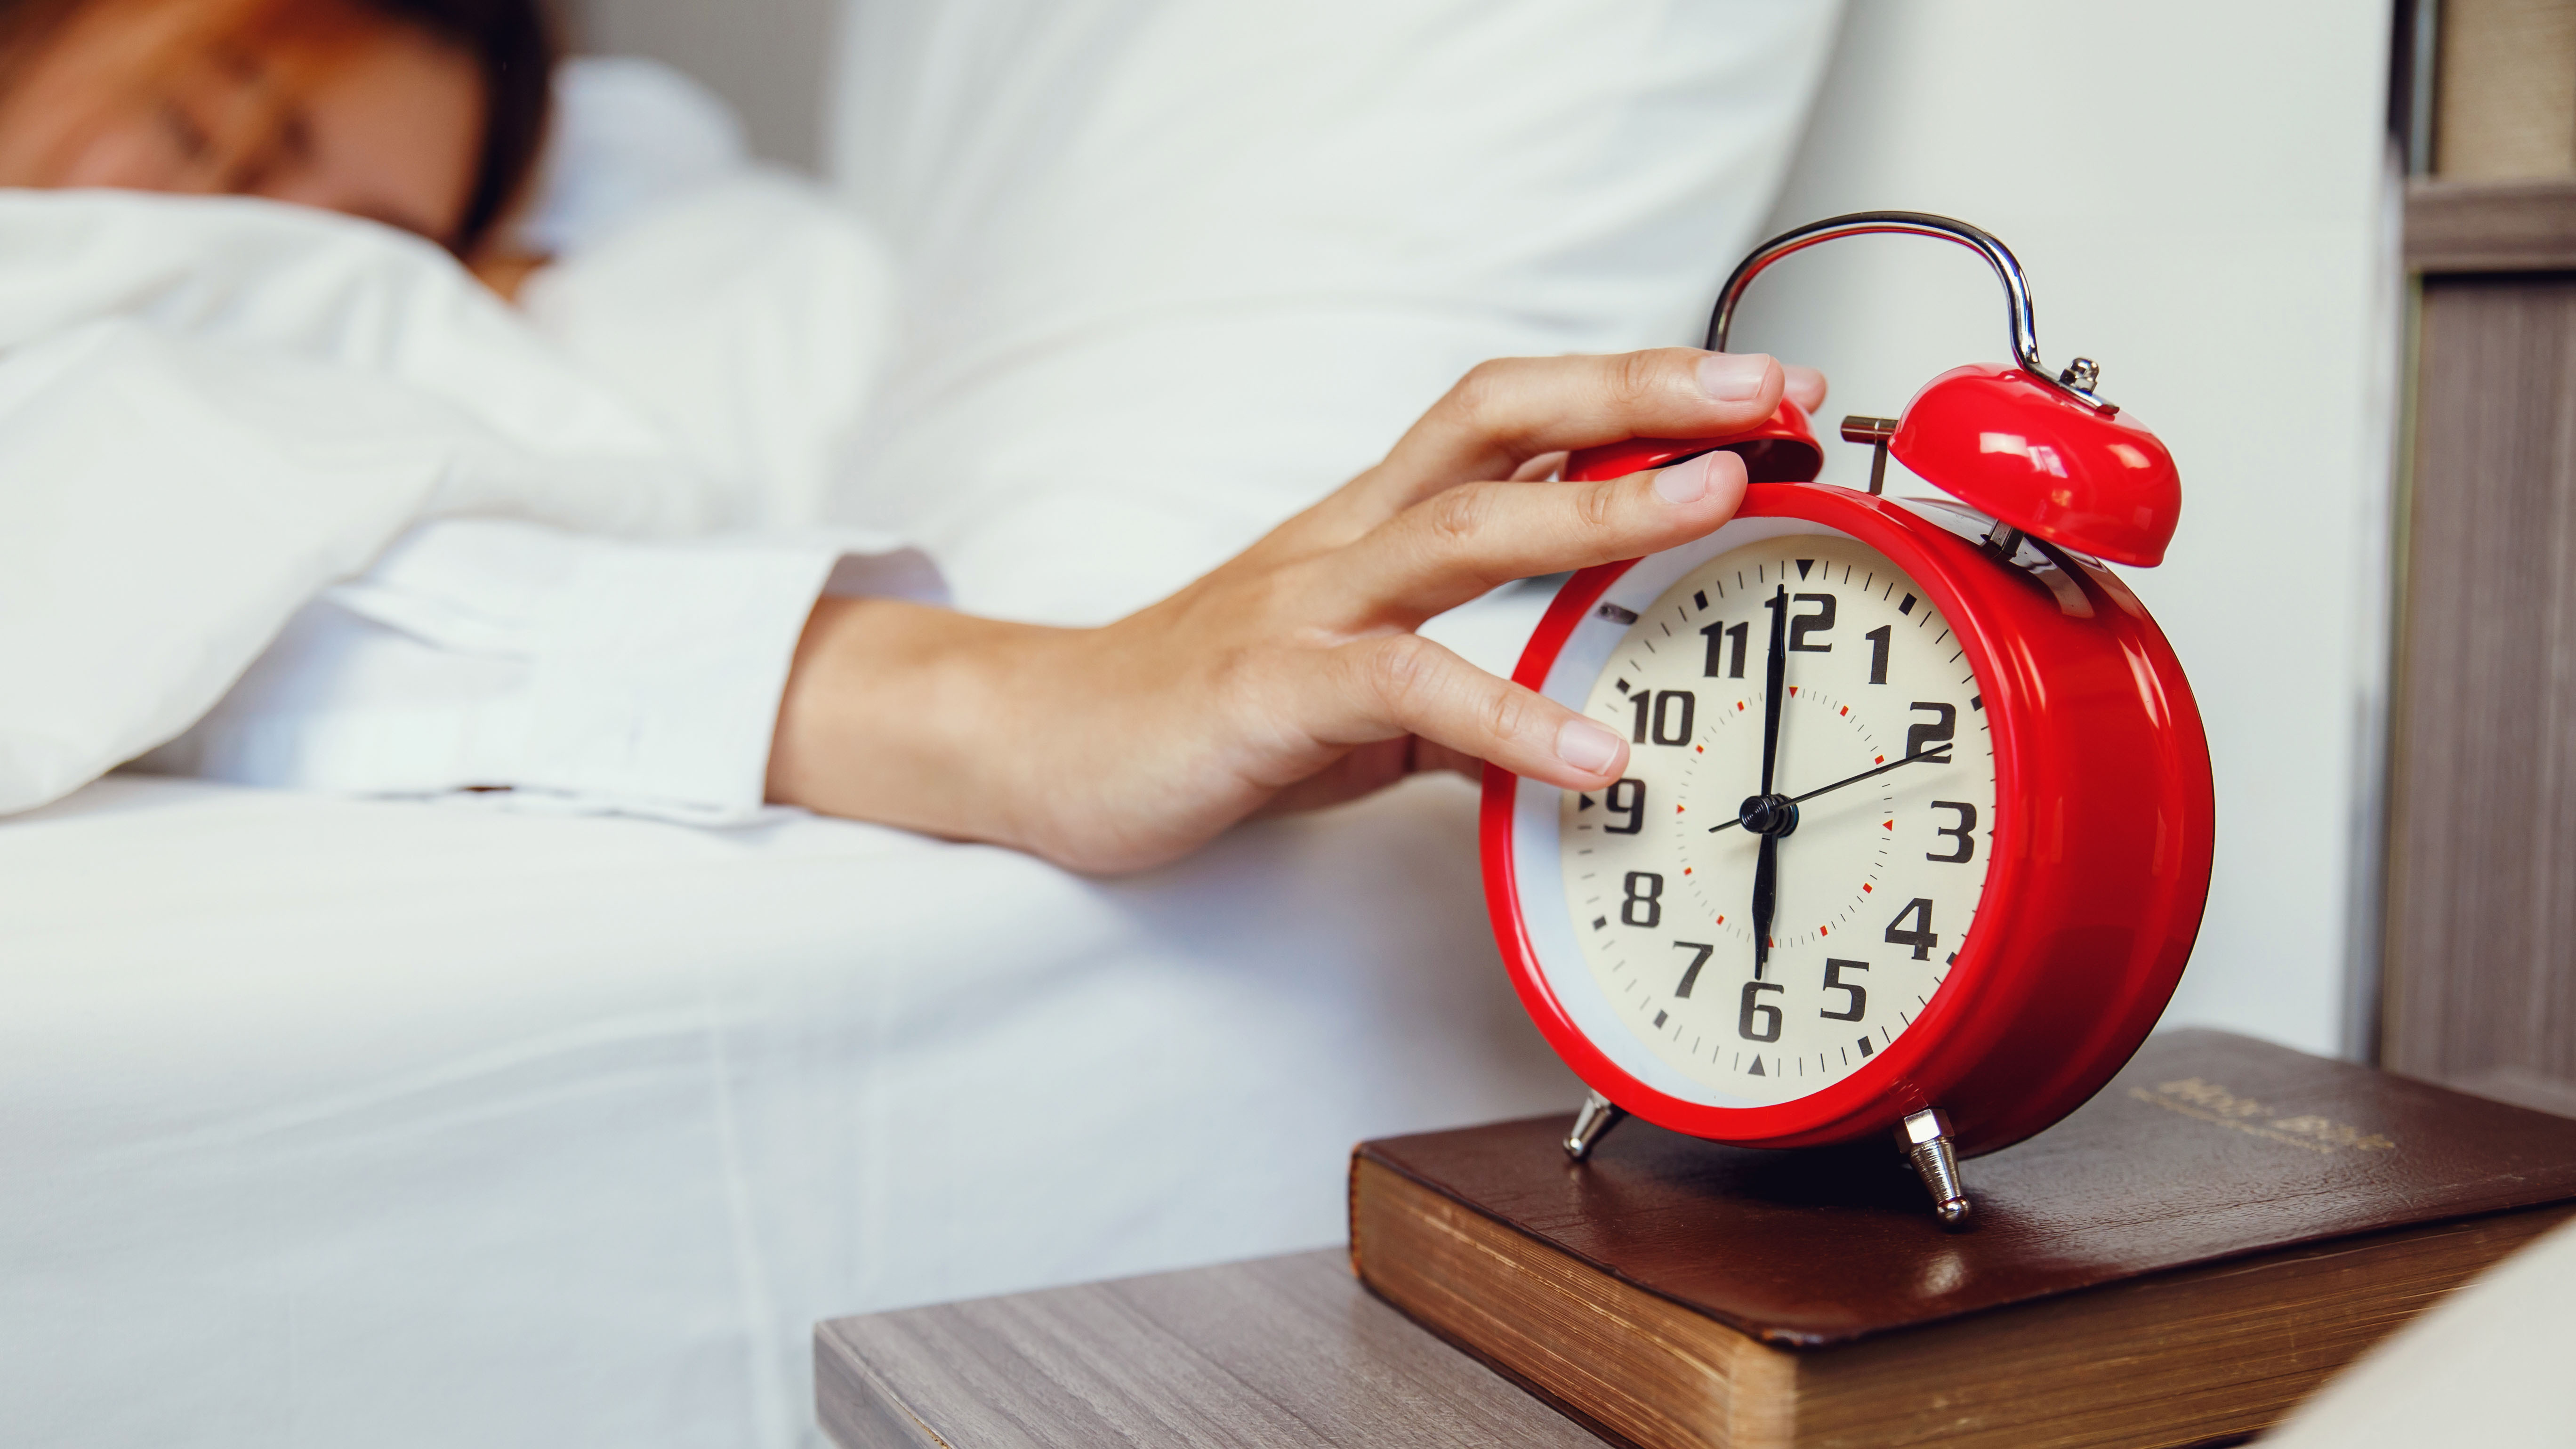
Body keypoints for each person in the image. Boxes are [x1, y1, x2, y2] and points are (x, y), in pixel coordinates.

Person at [0, 0, 1828, 873]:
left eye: (353, 242)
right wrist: (1003, 708)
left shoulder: (646, 302)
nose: (236, 204)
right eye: (209, 112)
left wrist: (1019, 690)